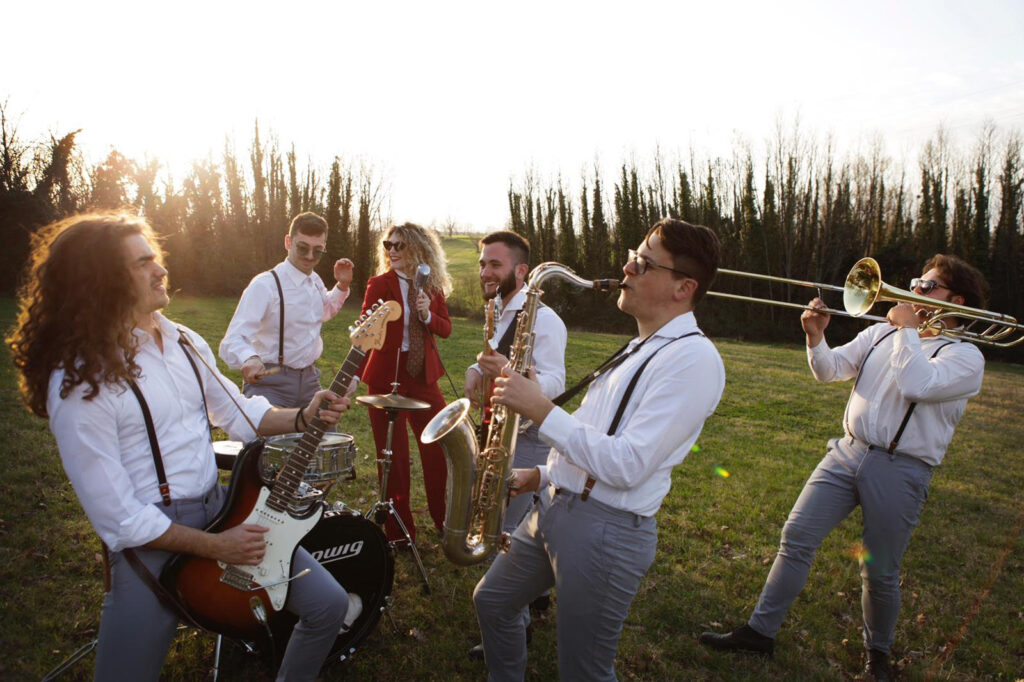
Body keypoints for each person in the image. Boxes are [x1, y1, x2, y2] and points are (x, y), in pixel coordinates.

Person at [6, 213, 360, 682]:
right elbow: (119, 518)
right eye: (142, 263)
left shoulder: (185, 342)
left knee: (330, 605)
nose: (160, 270)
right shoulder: (79, 383)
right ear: (101, 281)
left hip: (222, 509)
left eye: (156, 257)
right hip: (152, 539)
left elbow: (240, 413)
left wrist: (303, 415)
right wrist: (216, 546)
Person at [698, 254, 988, 681]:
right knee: (796, 537)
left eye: (926, 286)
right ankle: (760, 632)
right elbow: (829, 371)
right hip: (847, 452)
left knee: (880, 570)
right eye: (915, 283)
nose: (913, 291)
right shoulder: (880, 335)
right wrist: (816, 338)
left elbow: (916, 384)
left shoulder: (966, 357)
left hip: (901, 468)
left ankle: (878, 658)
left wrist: (908, 329)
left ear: (955, 300)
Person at [473, 218, 725, 681]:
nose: (626, 267)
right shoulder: (640, 345)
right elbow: (597, 434)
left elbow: (628, 465)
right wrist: (543, 476)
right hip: (555, 506)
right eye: (634, 254)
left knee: (584, 671)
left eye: (643, 263)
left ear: (682, 287)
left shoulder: (694, 359)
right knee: (491, 601)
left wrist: (542, 410)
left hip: (606, 531)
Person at [463, 230, 567, 660]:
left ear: (521, 271)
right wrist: (476, 367)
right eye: (483, 262)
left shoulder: (545, 319)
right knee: (502, 527)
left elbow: (556, 385)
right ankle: (525, 605)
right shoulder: (497, 309)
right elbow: (493, 353)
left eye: (495, 264)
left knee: (503, 535)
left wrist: (509, 369)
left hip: (526, 443)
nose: (486, 271)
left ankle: (513, 630)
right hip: (498, 431)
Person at [357, 222, 453, 544]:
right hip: (387, 378)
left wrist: (427, 314)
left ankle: (445, 521)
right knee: (394, 458)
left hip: (424, 378)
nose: (392, 251)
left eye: (399, 245)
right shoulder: (378, 284)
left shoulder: (433, 286)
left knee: (439, 450)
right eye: (388, 245)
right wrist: (354, 375)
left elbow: (446, 329)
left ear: (418, 248)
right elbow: (367, 334)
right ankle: (399, 535)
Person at [220, 211, 353, 407]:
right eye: (302, 248)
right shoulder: (265, 285)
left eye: (317, 251)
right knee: (270, 438)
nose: (310, 257)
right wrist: (250, 358)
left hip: (310, 381)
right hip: (270, 384)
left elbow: (324, 311)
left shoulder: (314, 281)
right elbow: (233, 339)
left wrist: (342, 286)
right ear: (288, 242)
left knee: (331, 437)